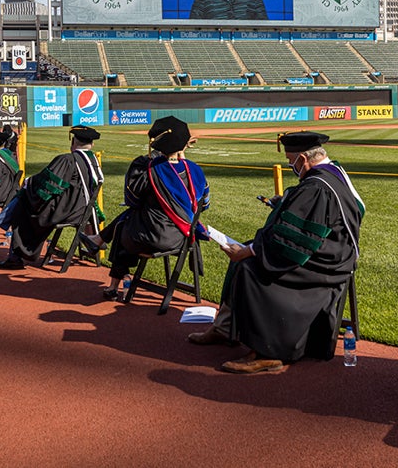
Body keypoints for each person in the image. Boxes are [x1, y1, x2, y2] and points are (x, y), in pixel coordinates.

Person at [188, 131, 365, 374]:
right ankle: (225, 326)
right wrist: (286, 202)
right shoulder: (334, 172)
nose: (290, 165)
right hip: (333, 249)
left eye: (291, 160)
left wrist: (251, 251)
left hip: (324, 262)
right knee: (247, 253)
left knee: (249, 267)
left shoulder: (316, 188)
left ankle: (268, 352)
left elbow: (291, 244)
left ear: (303, 159)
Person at [82, 116, 209, 301]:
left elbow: (132, 199)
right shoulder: (195, 171)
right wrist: (181, 153)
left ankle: (113, 282)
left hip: (151, 239)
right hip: (183, 238)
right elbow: (204, 205)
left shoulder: (149, 169)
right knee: (129, 220)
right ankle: (104, 255)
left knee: (125, 223)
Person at [0, 125, 104, 270]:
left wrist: (30, 181)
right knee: (24, 200)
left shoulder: (67, 160)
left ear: (73, 141)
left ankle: (13, 254)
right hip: (81, 209)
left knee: (23, 207)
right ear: (92, 144)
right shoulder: (93, 161)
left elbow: (48, 185)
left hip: (66, 211)